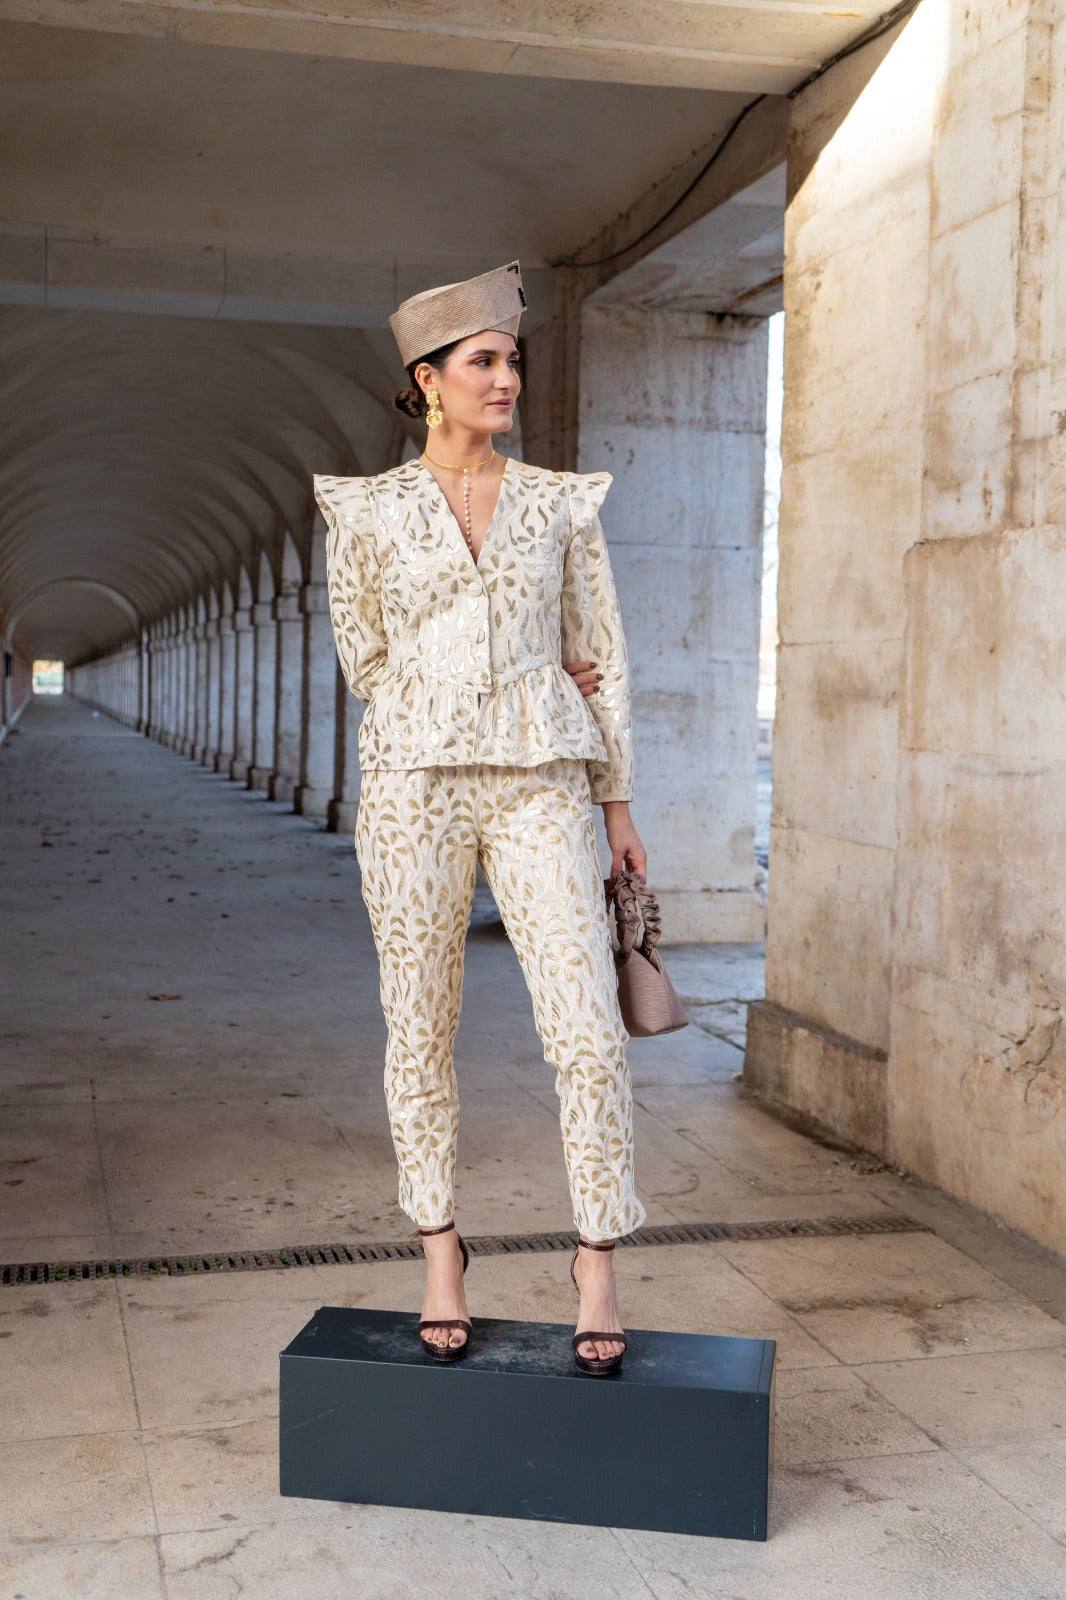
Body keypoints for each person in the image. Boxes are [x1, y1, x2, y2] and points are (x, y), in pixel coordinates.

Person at [314, 260, 647, 1376]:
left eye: (512, 360)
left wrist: (617, 804)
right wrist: (491, 669)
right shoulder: (365, 512)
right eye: (484, 361)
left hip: (541, 779)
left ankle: (595, 1257)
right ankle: (439, 1250)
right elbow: (365, 659)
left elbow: (603, 655)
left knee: (587, 1027)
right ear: (428, 379)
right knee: (418, 1025)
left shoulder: (559, 503)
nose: (506, 379)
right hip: (413, 787)